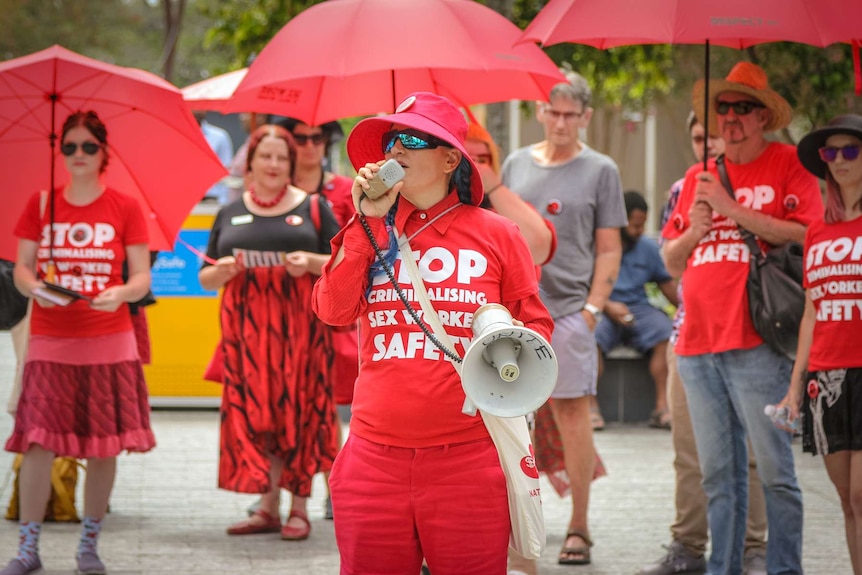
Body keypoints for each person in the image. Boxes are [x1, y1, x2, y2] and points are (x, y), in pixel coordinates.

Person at [312, 91, 553, 574]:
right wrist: (367, 222)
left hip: (467, 460)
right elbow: (332, 310)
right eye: (390, 140)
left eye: (411, 138)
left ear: (449, 159)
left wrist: (503, 335)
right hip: (371, 460)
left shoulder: (498, 233)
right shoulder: (367, 226)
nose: (395, 149)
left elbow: (537, 330)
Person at [661, 62, 823, 575]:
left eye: (742, 108)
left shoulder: (787, 163)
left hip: (757, 340)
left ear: (763, 117)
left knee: (774, 473)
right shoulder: (697, 177)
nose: (730, 117)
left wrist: (731, 208)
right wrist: (696, 229)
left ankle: (783, 569)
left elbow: (808, 234)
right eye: (723, 108)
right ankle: (722, 569)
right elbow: (670, 258)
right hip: (695, 345)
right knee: (718, 478)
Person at [3, 110, 156, 575]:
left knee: (104, 444)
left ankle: (89, 544)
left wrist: (120, 295)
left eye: (88, 146)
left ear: (104, 151)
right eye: (69, 146)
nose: (78, 155)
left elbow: (141, 276)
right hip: (51, 337)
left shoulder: (125, 206)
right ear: (60, 152)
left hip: (110, 338)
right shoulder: (41, 203)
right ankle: (27, 548)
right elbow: (22, 267)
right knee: (37, 443)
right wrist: (33, 286)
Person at [502, 71, 626, 565]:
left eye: (570, 114)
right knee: (512, 423)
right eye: (552, 111)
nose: (559, 121)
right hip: (513, 314)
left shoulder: (601, 170)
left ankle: (579, 525)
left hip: (570, 312)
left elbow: (609, 248)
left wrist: (593, 310)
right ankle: (519, 526)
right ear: (539, 112)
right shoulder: (514, 164)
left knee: (573, 416)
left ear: (585, 117)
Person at [638, 111, 769, 575]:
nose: (705, 147)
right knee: (689, 453)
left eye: (711, 137)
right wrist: (695, 226)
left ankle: (754, 548)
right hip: (688, 336)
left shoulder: (756, 183)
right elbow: (669, 263)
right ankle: (687, 547)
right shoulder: (682, 189)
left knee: (749, 452)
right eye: (697, 138)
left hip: (746, 336)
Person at [199, 124, 341, 542]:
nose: (275, 164)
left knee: (298, 410)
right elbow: (205, 277)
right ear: (251, 162)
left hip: (301, 331)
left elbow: (344, 261)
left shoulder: (314, 206)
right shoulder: (229, 211)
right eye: (267, 156)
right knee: (256, 412)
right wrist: (221, 271)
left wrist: (311, 263)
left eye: (283, 157)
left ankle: (299, 506)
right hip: (246, 334)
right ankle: (266, 505)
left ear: (292, 163)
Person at [778, 113, 862, 574]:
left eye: (851, 150)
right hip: (826, 376)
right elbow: (811, 312)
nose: (840, 160)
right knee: (846, 500)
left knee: (860, 494)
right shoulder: (817, 231)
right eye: (832, 152)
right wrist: (795, 385)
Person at [594, 190, 678, 429]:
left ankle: (662, 407)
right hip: (604, 306)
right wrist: (606, 305)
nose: (640, 230)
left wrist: (689, 310)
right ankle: (591, 406)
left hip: (639, 309)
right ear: (620, 222)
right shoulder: (597, 245)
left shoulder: (648, 249)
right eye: (634, 225)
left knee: (664, 330)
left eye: (642, 225)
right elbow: (582, 285)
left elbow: (666, 285)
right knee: (589, 333)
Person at [193, 109, 234, 204]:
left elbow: (226, 172)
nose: (199, 109)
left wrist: (224, 202)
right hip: (183, 199)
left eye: (202, 104)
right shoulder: (176, 137)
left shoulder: (219, 136)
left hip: (212, 199)